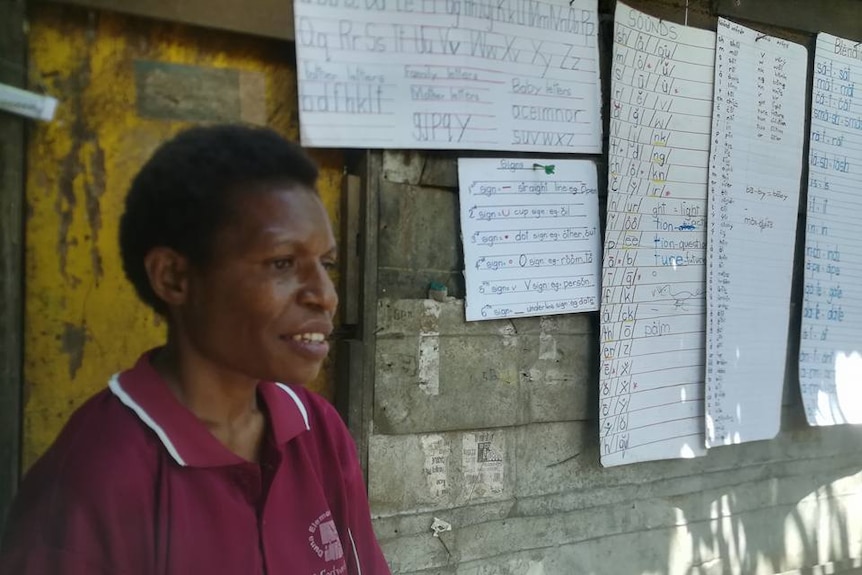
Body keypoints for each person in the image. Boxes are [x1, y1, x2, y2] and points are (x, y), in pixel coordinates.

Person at [0, 125, 391, 575]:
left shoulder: (316, 430)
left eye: (326, 264)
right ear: (173, 278)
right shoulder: (92, 482)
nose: (325, 295)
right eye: (282, 263)